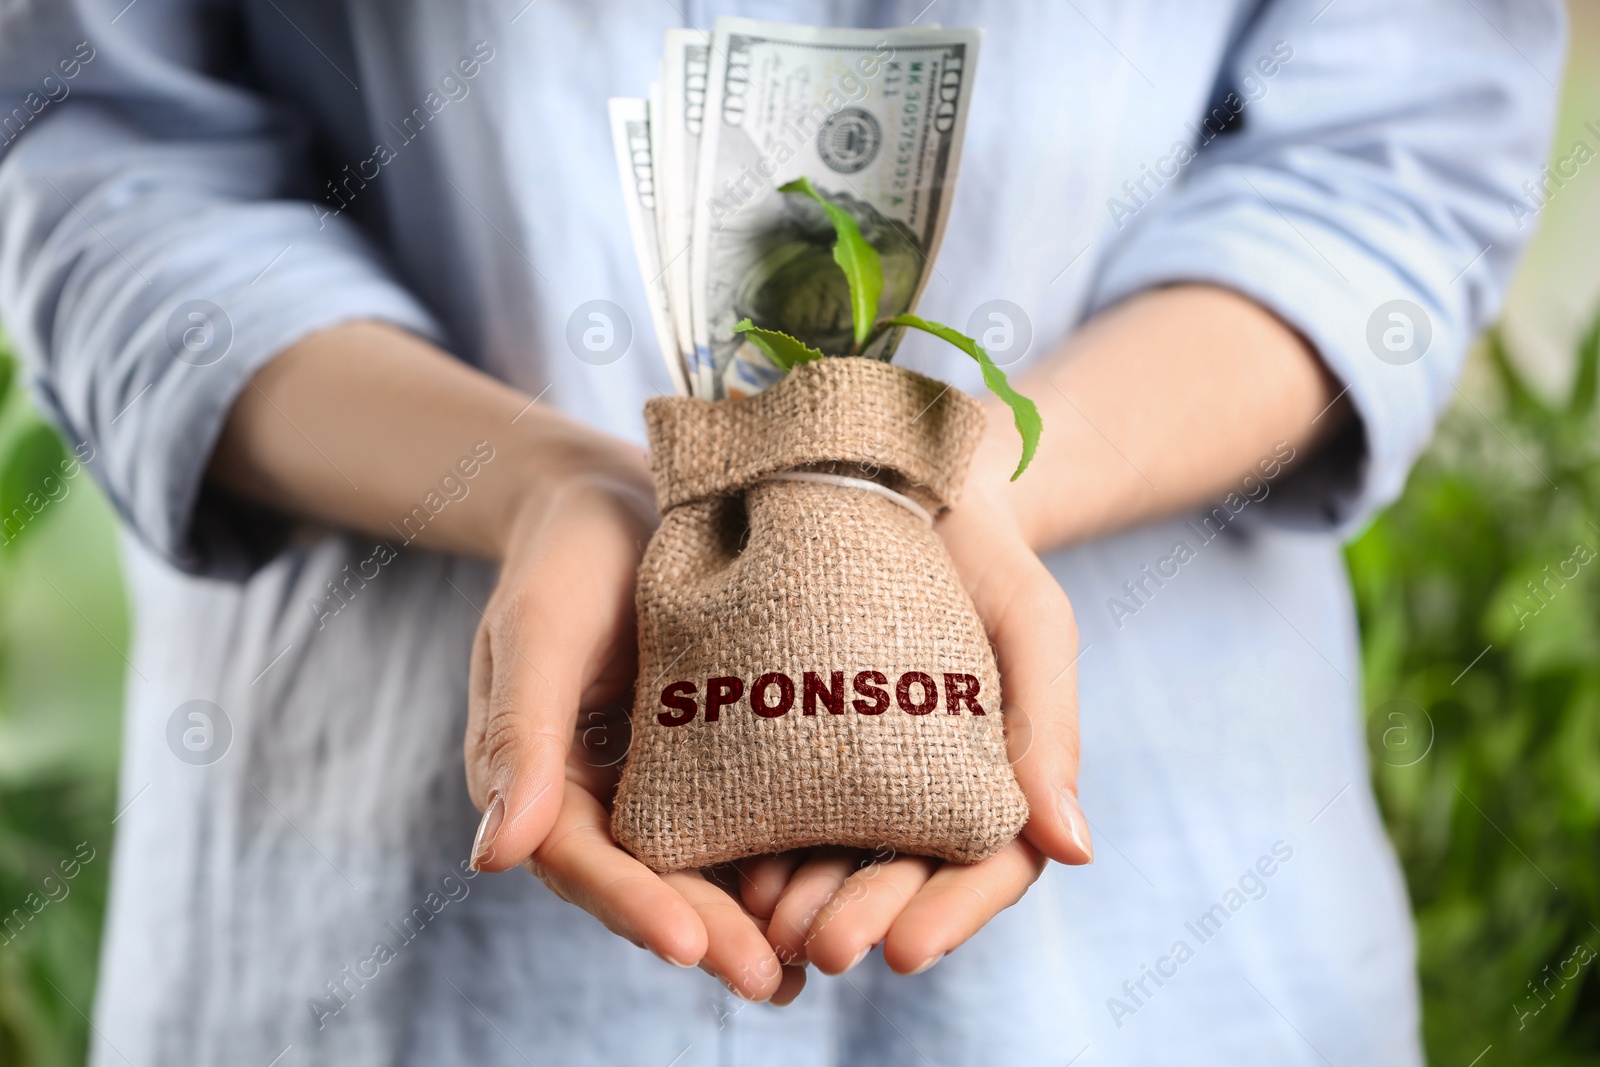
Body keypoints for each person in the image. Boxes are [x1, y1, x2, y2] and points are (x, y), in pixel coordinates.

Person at [0, 1, 1564, 1064]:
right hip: (390, 937)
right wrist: (547, 482)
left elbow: (1391, 158)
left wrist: (951, 489)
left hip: (1161, 960)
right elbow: (106, 158)